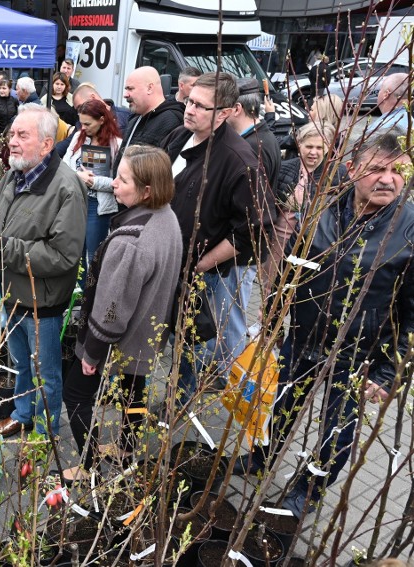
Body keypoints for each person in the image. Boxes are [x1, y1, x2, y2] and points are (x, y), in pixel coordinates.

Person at [233, 128, 414, 520]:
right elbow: (289, 268)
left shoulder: (409, 231)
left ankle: (309, 490)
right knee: (282, 406)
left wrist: (390, 373)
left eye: (398, 171)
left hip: (359, 355)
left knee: (338, 430)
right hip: (303, 338)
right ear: (351, 169)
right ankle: (264, 457)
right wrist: (275, 317)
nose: (388, 179)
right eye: (377, 169)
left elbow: (413, 314)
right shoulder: (323, 210)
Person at [61, 145, 182, 483]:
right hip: (149, 330)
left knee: (75, 395)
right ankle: (127, 446)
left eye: (123, 179)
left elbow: (112, 307)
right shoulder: (167, 217)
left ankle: (87, 468)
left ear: (147, 190)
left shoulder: (131, 240)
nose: (113, 183)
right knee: (134, 386)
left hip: (119, 335)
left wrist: (93, 350)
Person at [0, 104, 86, 438]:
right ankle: (22, 415)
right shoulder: (13, 174)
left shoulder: (67, 188)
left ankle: (45, 436)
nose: (12, 141)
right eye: (12, 134)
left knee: (45, 373)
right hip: (10, 292)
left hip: (40, 302)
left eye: (22, 135)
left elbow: (64, 255)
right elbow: (2, 221)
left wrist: (5, 248)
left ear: (47, 144)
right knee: (21, 363)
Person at [160, 72, 274, 404]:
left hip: (200, 275)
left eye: (200, 105)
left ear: (225, 112)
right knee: (165, 335)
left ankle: (177, 403)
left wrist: (202, 264)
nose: (189, 109)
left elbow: (255, 230)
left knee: (191, 344)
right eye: (189, 101)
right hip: (166, 260)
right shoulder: (180, 135)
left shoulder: (239, 161)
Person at [260, 122, 347, 299]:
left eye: (319, 147)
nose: (313, 152)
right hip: (279, 241)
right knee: (271, 287)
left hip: (312, 245)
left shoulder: (337, 174)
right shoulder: (285, 168)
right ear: (299, 145)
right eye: (308, 146)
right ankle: (266, 322)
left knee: (302, 291)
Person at [61, 99, 122, 285]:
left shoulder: (116, 144)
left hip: (99, 206)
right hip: (76, 201)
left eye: (88, 123)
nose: (84, 127)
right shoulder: (79, 136)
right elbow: (64, 164)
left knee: (93, 253)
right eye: (81, 123)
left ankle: (92, 294)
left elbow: (119, 182)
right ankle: (79, 295)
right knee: (75, 252)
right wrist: (78, 176)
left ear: (102, 119)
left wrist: (93, 181)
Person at [114, 66, 185, 176]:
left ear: (150, 88)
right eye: (126, 89)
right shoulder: (135, 119)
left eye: (130, 89)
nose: (125, 94)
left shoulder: (172, 120)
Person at [227, 78, 281, 192]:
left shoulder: (249, 146)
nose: (220, 113)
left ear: (237, 109)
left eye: (224, 107)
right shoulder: (263, 137)